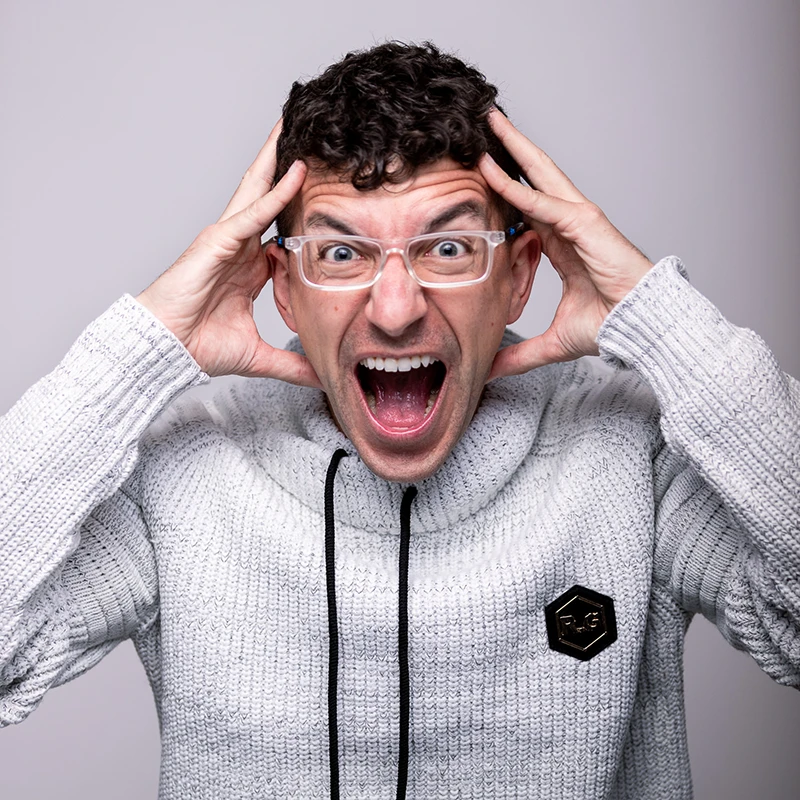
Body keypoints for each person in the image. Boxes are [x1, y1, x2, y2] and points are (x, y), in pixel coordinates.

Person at [0, 40, 797, 800]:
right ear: (282, 286)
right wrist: (144, 348)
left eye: (448, 250)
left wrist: (662, 322)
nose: (394, 310)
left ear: (520, 277)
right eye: (339, 255)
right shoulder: (186, 469)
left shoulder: (629, 449)